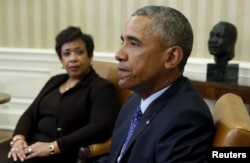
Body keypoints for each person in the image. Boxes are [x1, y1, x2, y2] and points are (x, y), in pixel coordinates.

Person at [97, 5, 215, 163]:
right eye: (123, 42)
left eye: (134, 44)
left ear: (171, 58)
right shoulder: (135, 101)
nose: (119, 55)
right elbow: (116, 158)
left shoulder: (187, 119)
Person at [0, 26, 119, 163]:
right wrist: (18, 139)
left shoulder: (101, 87)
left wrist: (53, 147)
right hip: (32, 144)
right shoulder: (54, 81)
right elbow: (30, 114)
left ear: (90, 56)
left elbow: (101, 127)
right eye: (67, 54)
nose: (73, 59)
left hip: (64, 152)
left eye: (79, 52)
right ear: (61, 60)